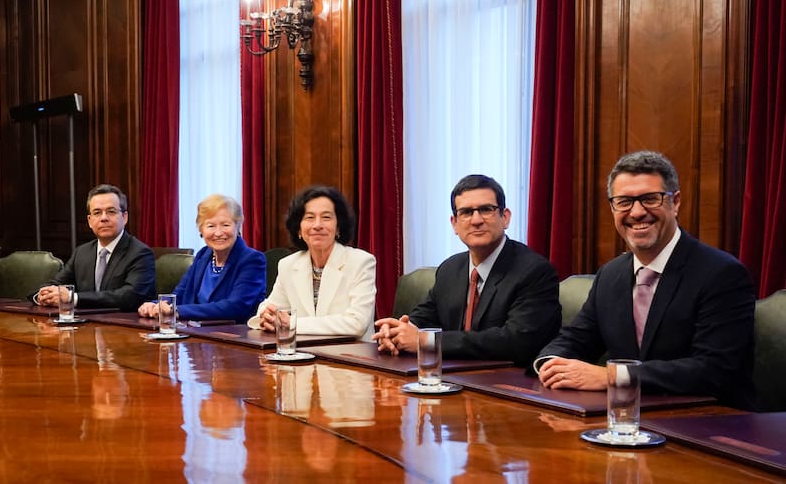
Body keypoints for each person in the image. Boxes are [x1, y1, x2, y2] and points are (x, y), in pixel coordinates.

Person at [535, 151, 756, 409]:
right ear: (613, 208)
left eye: (650, 199)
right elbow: (575, 339)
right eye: (624, 202)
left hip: (707, 421)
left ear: (675, 202)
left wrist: (613, 376)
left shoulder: (722, 274)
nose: (637, 212)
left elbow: (714, 370)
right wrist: (550, 365)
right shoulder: (610, 275)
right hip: (625, 419)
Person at [374, 174, 561, 366]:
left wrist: (428, 341)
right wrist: (395, 332)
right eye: (466, 212)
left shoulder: (534, 272)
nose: (476, 220)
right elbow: (424, 317)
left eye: (486, 209)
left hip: (507, 379)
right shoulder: (450, 269)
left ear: (505, 218)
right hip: (452, 376)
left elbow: (516, 342)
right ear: (454, 224)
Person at [247, 186, 376, 340]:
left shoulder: (361, 262)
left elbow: (357, 323)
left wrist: (292, 323)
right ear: (299, 229)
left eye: (326, 217)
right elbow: (271, 307)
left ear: (338, 227)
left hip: (351, 352)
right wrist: (267, 316)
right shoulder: (288, 265)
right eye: (309, 217)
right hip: (301, 352)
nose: (317, 225)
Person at [138, 194, 266, 323]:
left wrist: (176, 311)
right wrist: (155, 305)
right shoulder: (203, 255)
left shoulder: (252, 260)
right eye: (211, 226)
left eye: (226, 225)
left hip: (233, 332)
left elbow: (235, 306)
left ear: (238, 226)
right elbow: (180, 294)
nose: (218, 232)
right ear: (201, 230)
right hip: (194, 331)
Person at [35, 184, 155, 311]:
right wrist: (43, 296)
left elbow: (130, 297)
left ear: (124, 217)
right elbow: (56, 283)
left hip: (122, 322)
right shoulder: (82, 252)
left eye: (111, 212)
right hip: (84, 321)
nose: (104, 218)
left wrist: (73, 298)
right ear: (89, 221)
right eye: (97, 213)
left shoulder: (140, 253)